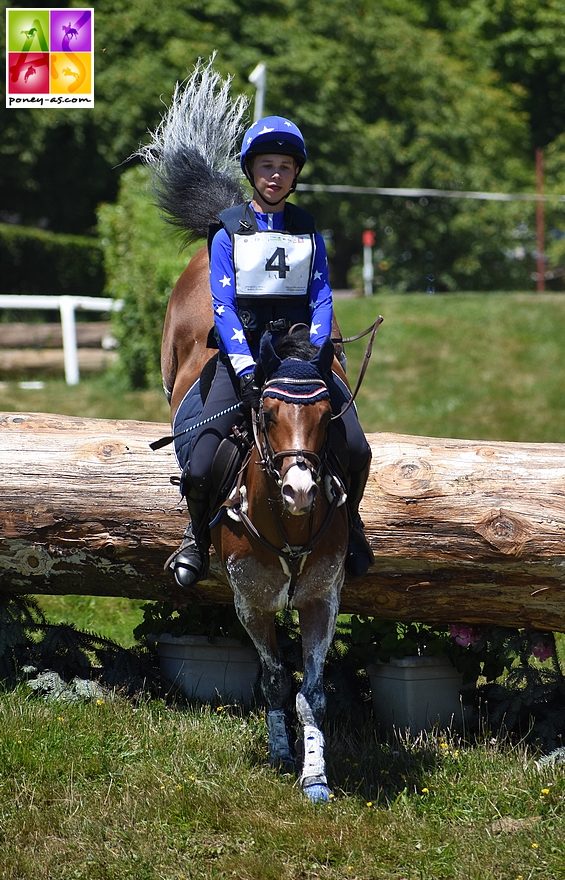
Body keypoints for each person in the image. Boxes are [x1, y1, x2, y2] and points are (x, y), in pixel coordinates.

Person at [172, 115, 373, 587]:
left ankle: (355, 527)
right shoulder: (226, 232)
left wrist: (312, 353)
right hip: (240, 353)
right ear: (251, 171)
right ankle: (196, 536)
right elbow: (222, 306)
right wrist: (242, 369)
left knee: (358, 448)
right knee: (202, 461)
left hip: (300, 355)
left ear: (295, 174)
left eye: (285, 166)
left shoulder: (307, 231)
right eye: (267, 165)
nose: (276, 175)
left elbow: (322, 298)